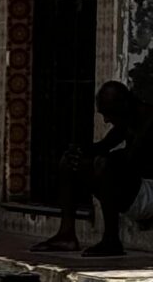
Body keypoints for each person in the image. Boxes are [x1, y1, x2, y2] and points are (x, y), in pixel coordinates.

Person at [39, 74, 151, 256]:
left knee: (108, 167)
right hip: (133, 189)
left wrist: (103, 160)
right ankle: (66, 234)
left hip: (148, 193)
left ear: (123, 105)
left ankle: (111, 240)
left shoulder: (147, 122)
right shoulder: (127, 118)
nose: (107, 120)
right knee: (70, 162)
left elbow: (132, 160)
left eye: (109, 113)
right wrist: (80, 152)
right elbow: (103, 146)